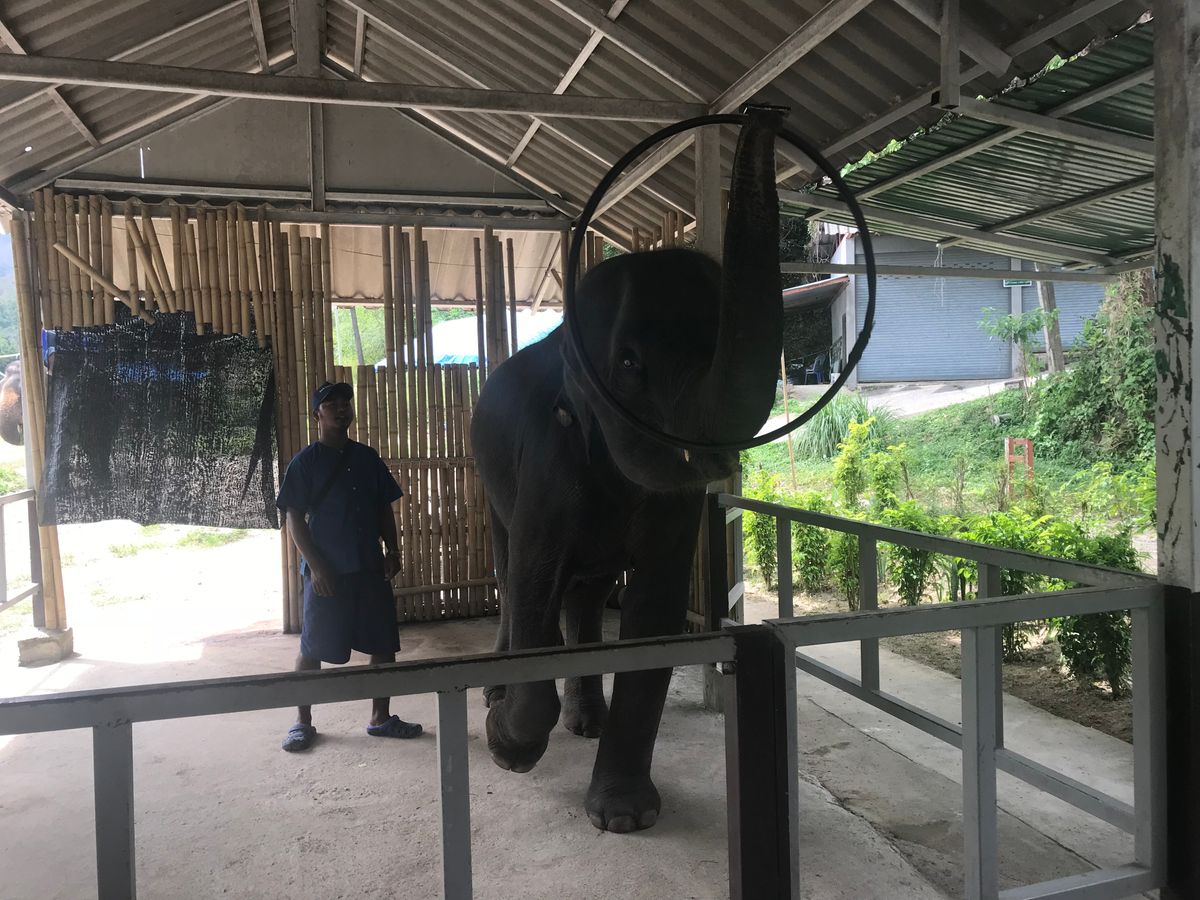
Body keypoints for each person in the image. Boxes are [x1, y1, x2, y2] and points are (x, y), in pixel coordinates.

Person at [276, 380, 422, 752]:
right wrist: (316, 567)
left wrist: (393, 550)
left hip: (369, 567)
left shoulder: (367, 458)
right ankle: (302, 722)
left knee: (383, 643)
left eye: (346, 402)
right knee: (312, 647)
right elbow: (294, 518)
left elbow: (383, 508)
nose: (342, 409)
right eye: (332, 404)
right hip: (327, 573)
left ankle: (380, 718)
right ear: (317, 415)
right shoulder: (306, 462)